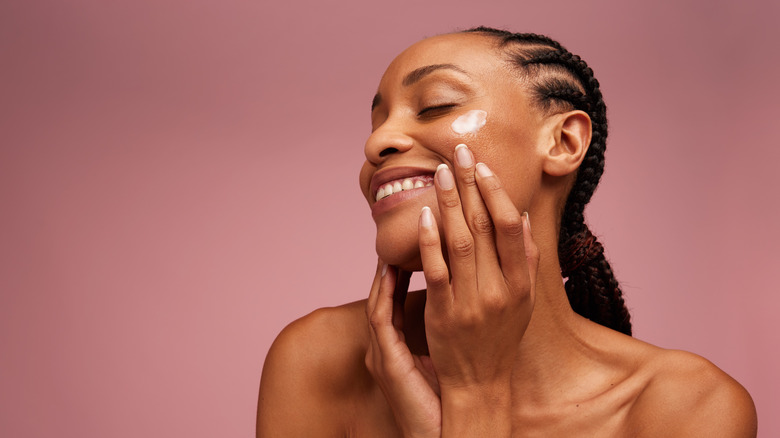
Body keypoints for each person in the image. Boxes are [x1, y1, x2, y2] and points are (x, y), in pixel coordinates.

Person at [256, 27, 757, 437]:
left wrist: (475, 397)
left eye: (435, 105)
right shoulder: (319, 360)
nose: (377, 142)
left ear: (563, 141)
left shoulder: (687, 409)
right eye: (376, 121)